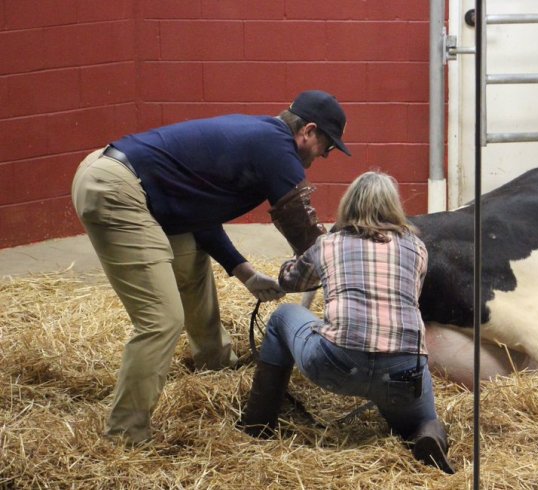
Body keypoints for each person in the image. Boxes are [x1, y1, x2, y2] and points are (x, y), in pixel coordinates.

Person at [71, 90, 351, 446]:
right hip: (116, 188)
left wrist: (245, 273)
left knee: (190, 260)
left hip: (126, 180)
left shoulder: (263, 137)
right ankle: (124, 436)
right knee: (161, 320)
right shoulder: (278, 148)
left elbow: (199, 215)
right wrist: (338, 270)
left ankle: (215, 362)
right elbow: (305, 236)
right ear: (308, 131)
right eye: (327, 146)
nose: (324, 156)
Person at [237, 171, 455, 474]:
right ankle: (427, 434)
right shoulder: (417, 248)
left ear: (348, 204)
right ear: (394, 207)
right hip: (402, 372)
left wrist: (298, 258)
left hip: (337, 364)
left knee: (282, 317)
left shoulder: (328, 245)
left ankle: (257, 423)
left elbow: (290, 280)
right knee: (420, 417)